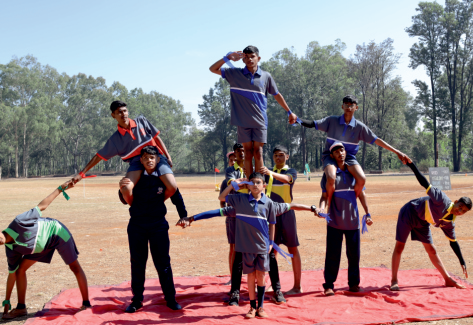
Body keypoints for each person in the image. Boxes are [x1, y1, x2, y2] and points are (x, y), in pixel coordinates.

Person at [178, 173, 317, 319]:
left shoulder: (269, 203)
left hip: (263, 247)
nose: (255, 185)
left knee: (261, 276)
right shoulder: (239, 202)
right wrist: (233, 185)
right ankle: (252, 306)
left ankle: (262, 305)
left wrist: (312, 208)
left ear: (264, 185)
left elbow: (287, 209)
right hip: (246, 248)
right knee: (251, 277)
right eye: (252, 183)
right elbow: (219, 204)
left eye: (259, 182)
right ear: (248, 185)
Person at [299, 95, 409, 216]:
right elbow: (312, 124)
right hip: (330, 155)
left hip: (349, 156)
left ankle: (351, 200)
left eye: (352, 105)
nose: (349, 107)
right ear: (342, 106)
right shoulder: (332, 121)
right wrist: (297, 119)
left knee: (362, 179)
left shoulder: (360, 127)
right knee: (331, 177)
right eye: (346, 105)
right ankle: (331, 205)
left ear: (356, 107)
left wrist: (397, 152)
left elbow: (377, 140)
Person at [1, 181, 91, 320]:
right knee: (19, 270)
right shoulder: (11, 250)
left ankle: (86, 304)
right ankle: (21, 308)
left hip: (56, 232)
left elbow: (42, 206)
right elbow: (11, 275)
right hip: (41, 246)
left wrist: (61, 188)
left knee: (74, 267)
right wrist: (6, 301)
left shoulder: (19, 222)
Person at [209, 46, 298, 177]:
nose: (250, 59)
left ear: (258, 58)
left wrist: (289, 112)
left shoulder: (266, 76)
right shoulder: (234, 74)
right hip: (242, 120)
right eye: (246, 57)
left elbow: (277, 95)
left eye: (252, 56)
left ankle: (259, 182)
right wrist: (227, 58)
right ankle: (250, 183)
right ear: (243, 59)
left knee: (258, 152)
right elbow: (213, 69)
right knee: (248, 152)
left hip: (260, 120)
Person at [118, 146, 187, 313]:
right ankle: (136, 300)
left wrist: (183, 215)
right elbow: (123, 198)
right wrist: (122, 188)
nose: (149, 160)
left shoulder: (163, 179)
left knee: (163, 263)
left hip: (158, 225)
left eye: (152, 158)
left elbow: (176, 195)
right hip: (137, 225)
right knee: (137, 263)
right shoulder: (136, 177)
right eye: (146, 157)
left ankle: (170, 298)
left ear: (158, 160)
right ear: (141, 160)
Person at [70, 100, 178, 205]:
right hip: (136, 163)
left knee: (172, 186)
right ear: (113, 115)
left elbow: (157, 138)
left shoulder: (141, 121)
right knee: (125, 189)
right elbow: (99, 156)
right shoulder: (115, 140)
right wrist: (82, 173)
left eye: (125, 111)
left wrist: (168, 156)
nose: (123, 114)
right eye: (119, 112)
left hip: (156, 158)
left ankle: (154, 206)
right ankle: (137, 210)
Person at [390, 160, 472, 291]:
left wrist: (462, 261)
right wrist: (411, 165)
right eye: (460, 206)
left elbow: (453, 242)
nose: (460, 210)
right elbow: (425, 183)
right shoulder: (442, 199)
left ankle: (447, 279)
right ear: (456, 202)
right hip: (409, 212)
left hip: (422, 222)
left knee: (432, 250)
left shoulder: (449, 223)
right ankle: (394, 280)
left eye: (463, 211)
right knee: (400, 247)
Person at [318, 142, 373, 296]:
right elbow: (323, 197)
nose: (340, 153)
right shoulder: (329, 176)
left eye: (341, 150)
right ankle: (329, 285)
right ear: (332, 156)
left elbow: (361, 194)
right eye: (336, 152)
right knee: (332, 255)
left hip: (353, 222)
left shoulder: (353, 173)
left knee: (354, 255)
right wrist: (322, 207)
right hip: (334, 221)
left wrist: (367, 213)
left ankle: (354, 284)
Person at [259, 145, 300, 302]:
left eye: (281, 155)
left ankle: (297, 285)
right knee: (272, 250)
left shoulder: (291, 172)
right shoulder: (267, 173)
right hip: (271, 216)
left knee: (293, 248)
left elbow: (287, 180)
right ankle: (272, 284)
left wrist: (270, 173)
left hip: (287, 213)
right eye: (275, 155)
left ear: (287, 157)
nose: (278, 158)